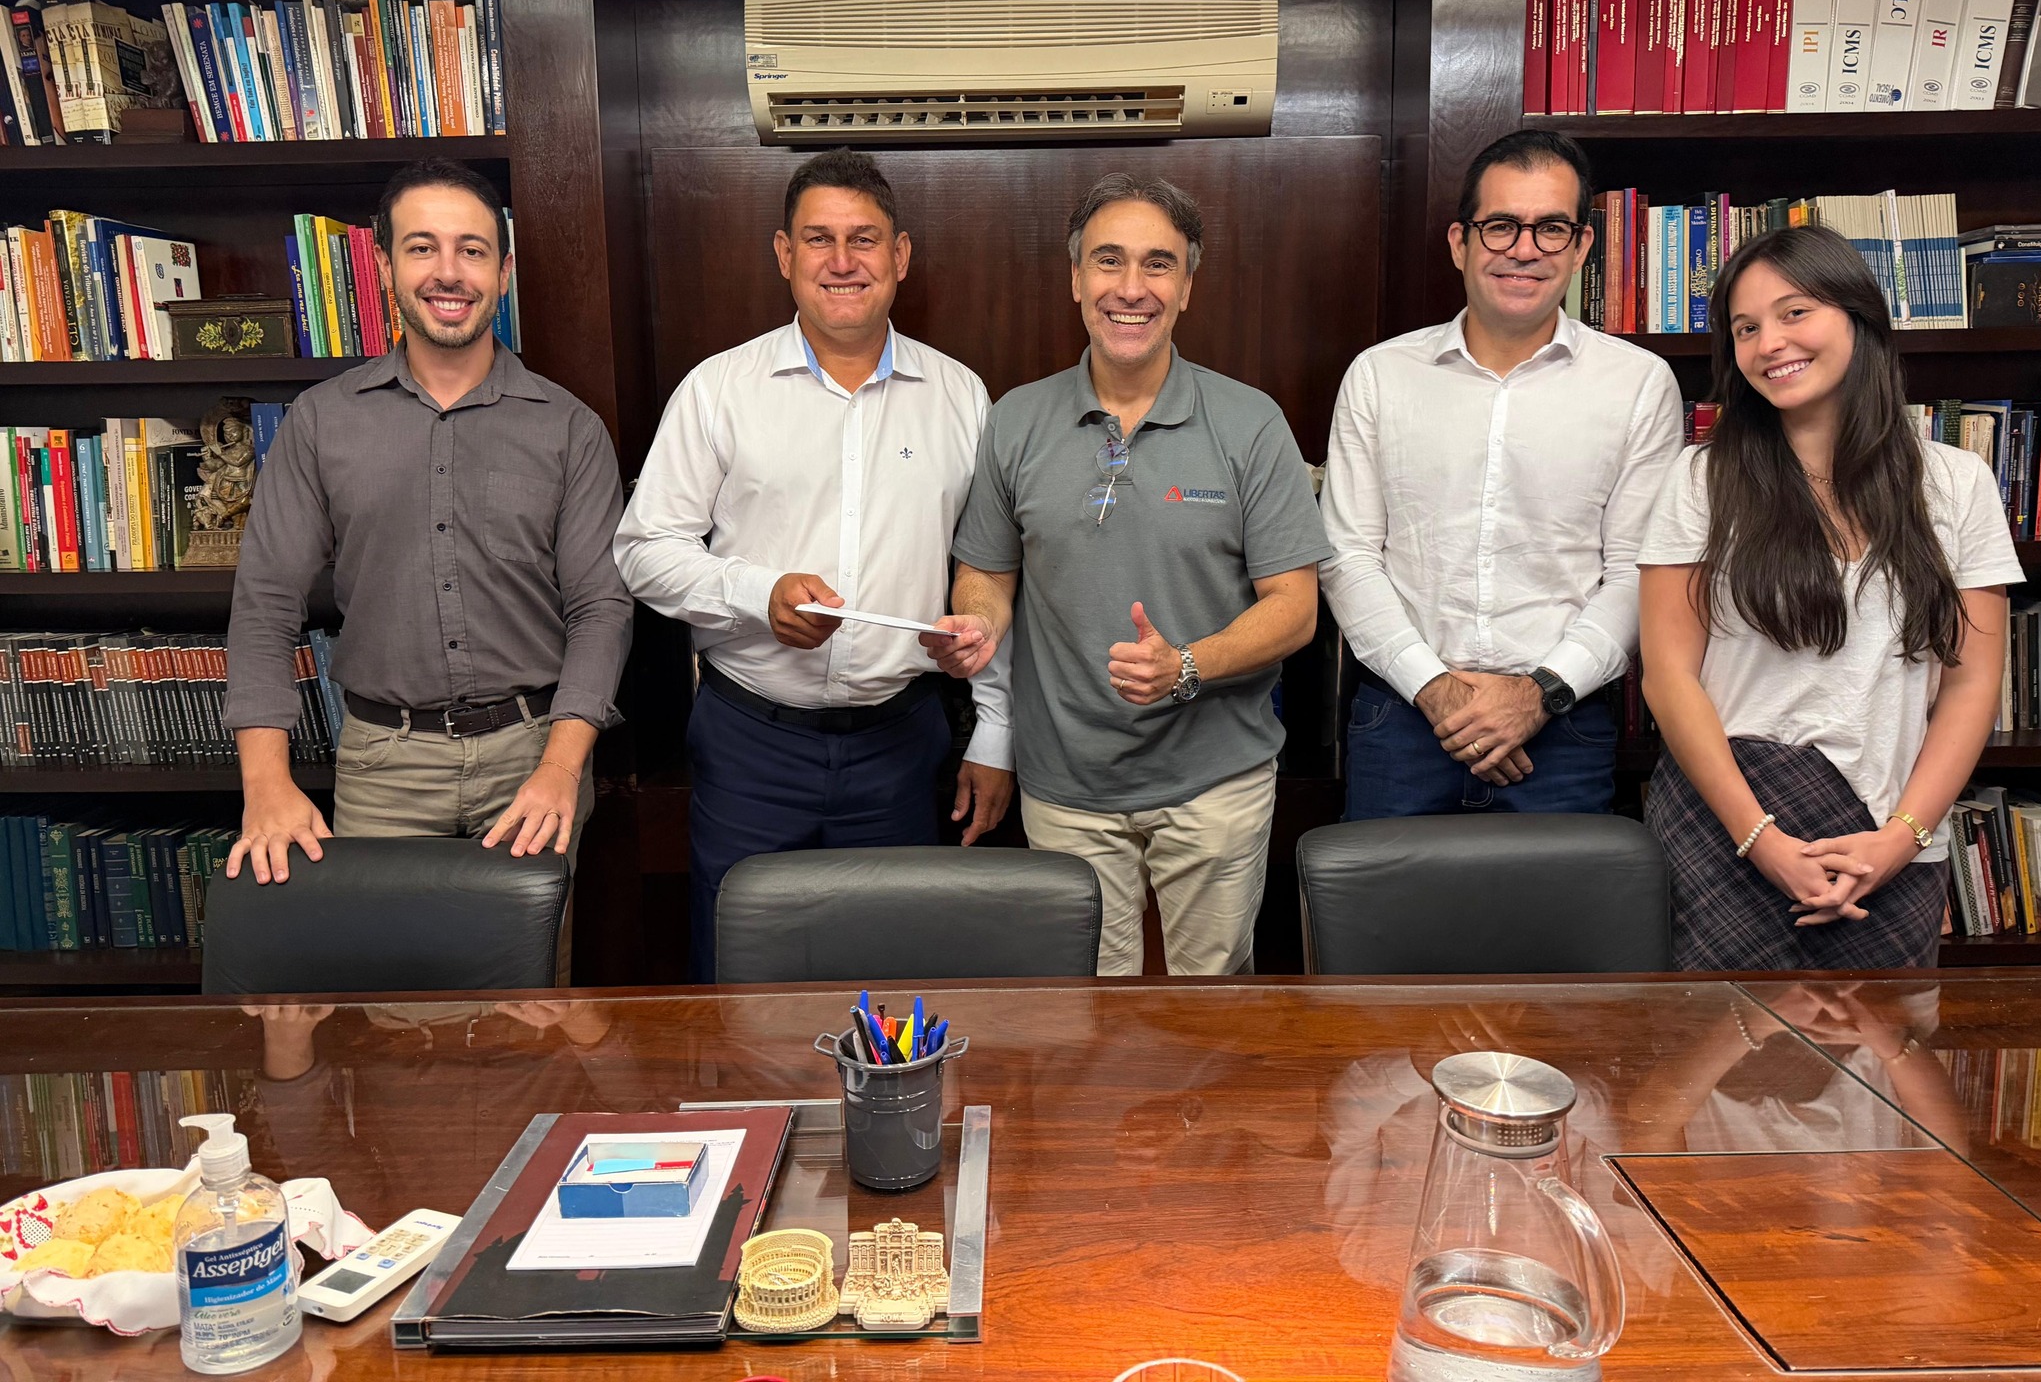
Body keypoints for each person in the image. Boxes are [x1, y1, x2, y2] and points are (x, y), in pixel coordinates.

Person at [614, 148, 1014, 984]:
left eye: (863, 239)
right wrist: (757, 594)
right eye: (818, 239)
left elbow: (992, 570)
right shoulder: (718, 390)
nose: (842, 261)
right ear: (784, 254)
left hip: (903, 747)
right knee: (742, 984)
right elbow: (643, 551)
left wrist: (997, 733)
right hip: (751, 745)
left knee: (893, 987)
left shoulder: (962, 399)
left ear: (899, 255)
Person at [931, 174, 1330, 977]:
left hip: (1216, 782)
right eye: (1109, 261)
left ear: (1187, 286)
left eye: (1158, 264)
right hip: (1066, 785)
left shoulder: (1250, 422)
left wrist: (1187, 665)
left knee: (1210, 1015)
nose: (1131, 288)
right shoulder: (1015, 420)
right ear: (1076, 279)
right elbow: (987, 576)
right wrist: (976, 621)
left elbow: (1295, 608)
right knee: (1089, 1018)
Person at [224, 158, 632, 917]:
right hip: (383, 765)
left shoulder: (569, 429)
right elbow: (266, 603)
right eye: (422, 248)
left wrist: (561, 769)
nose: (449, 272)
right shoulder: (320, 422)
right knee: (387, 988)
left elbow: (601, 609)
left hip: (534, 757)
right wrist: (266, 782)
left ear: (503, 272)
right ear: (384, 266)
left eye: (472, 250)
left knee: (528, 986)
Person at [1637, 225, 2018, 970]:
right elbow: (1669, 676)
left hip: (1890, 846)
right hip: (1727, 836)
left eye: (1794, 313)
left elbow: (1972, 682)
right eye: (1745, 328)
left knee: (1878, 1045)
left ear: (1858, 317)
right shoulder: (1700, 480)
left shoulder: (1956, 482)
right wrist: (1761, 839)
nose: (1769, 343)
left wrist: (1900, 839)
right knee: (1716, 1045)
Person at [1320, 129, 1682, 819]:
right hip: (1401, 722)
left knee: (1554, 900)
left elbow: (1638, 573)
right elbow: (1347, 556)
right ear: (1460, 242)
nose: (1524, 249)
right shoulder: (1379, 376)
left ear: (1581, 246)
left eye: (1551, 228)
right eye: (1501, 226)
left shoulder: (1639, 384)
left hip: (1562, 730)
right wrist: (1436, 690)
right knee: (1382, 897)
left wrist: (1537, 694)